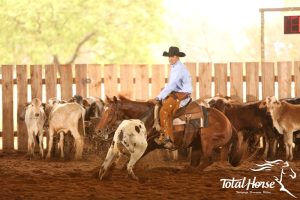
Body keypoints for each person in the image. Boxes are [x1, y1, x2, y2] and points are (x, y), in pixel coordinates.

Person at [149, 46, 192, 146]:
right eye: (169, 57)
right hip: (177, 92)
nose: (169, 59)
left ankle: (167, 137)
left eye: (172, 57)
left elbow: (171, 85)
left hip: (181, 94)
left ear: (177, 57)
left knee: (164, 111)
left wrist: (158, 97)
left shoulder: (178, 69)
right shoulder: (176, 67)